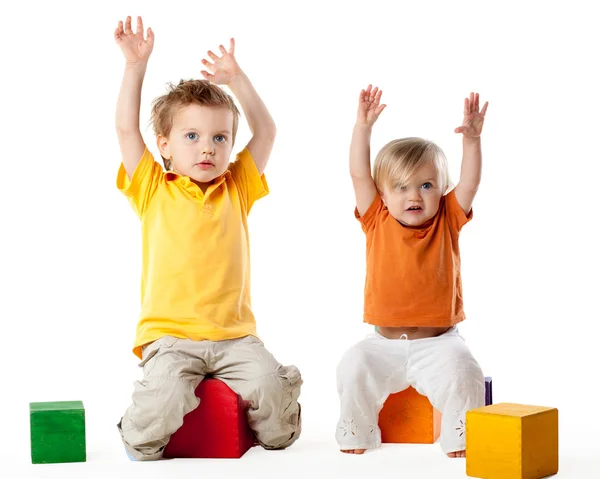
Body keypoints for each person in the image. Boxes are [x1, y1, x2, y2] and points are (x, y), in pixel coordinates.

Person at [113, 15, 302, 460]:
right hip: (171, 338)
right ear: (164, 145)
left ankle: (267, 402)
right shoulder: (152, 188)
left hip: (235, 338)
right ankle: (137, 423)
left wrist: (237, 80)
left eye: (220, 137)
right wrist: (135, 67)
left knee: (279, 430)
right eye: (192, 136)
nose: (207, 148)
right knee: (146, 440)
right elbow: (125, 130)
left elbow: (268, 131)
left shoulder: (237, 186)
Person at [336, 85, 488, 457]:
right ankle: (358, 430)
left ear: (441, 190)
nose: (414, 196)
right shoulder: (377, 218)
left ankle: (460, 435)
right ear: (383, 194)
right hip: (383, 344)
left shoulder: (448, 218)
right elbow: (358, 174)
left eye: (426, 185)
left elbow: (470, 182)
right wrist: (362, 128)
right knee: (352, 364)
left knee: (463, 369)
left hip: (440, 343)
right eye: (401, 187)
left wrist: (472, 141)